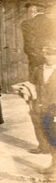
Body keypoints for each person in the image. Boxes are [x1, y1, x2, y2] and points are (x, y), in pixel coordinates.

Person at [33, 42, 56, 175]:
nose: (50, 58)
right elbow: (32, 85)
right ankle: (54, 165)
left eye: (53, 55)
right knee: (50, 136)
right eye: (48, 55)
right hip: (43, 108)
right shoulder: (39, 69)